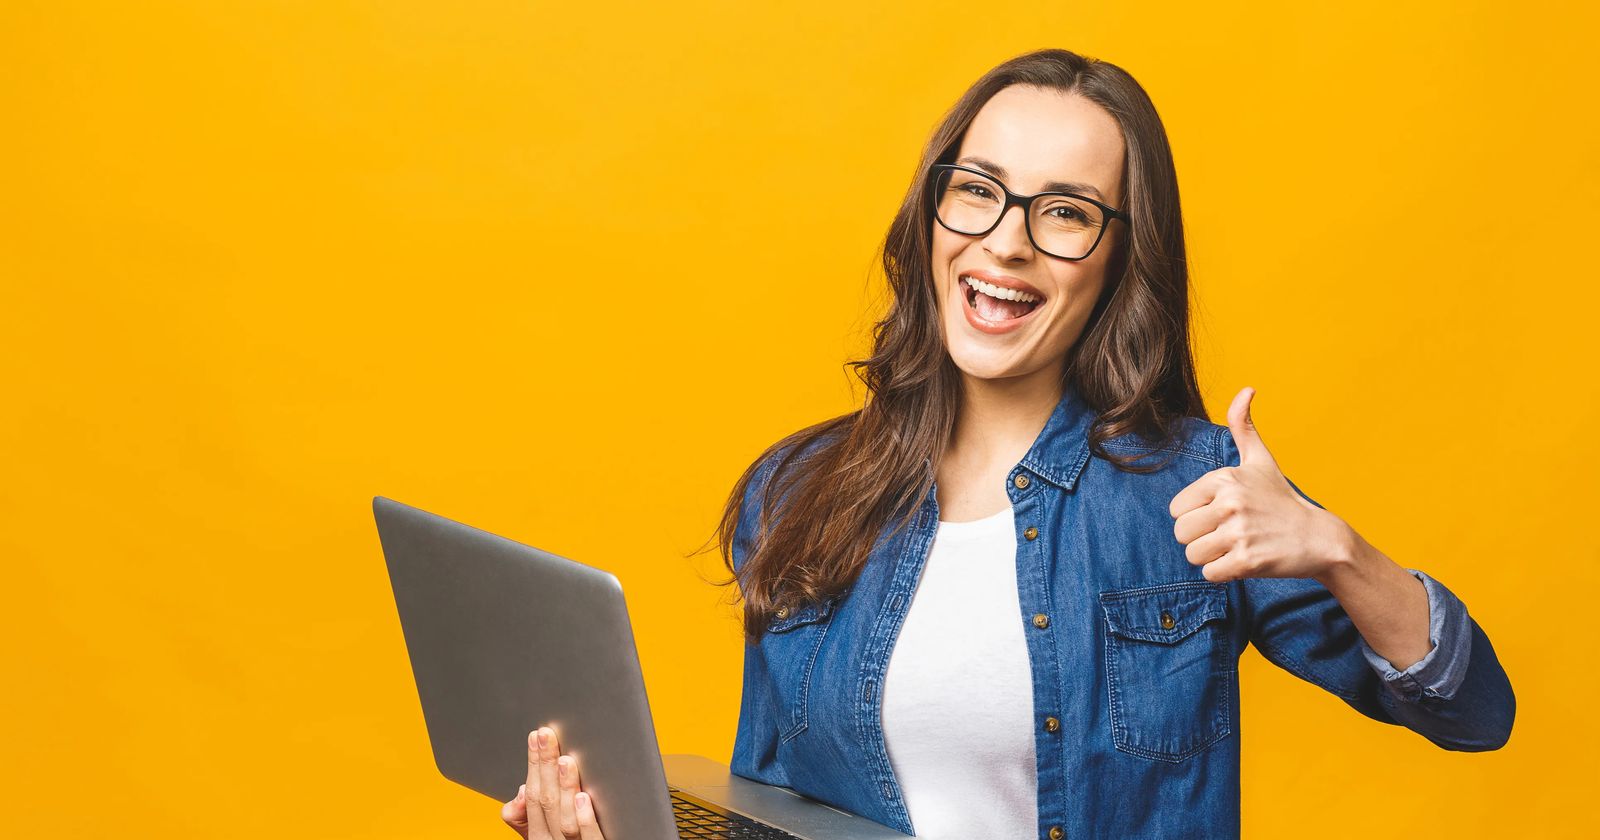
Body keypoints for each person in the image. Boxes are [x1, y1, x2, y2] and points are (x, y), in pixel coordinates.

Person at [499, 48, 1516, 840]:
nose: (1007, 240)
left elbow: (1471, 712)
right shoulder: (799, 487)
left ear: (1121, 259)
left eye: (1065, 212)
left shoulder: (1197, 491)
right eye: (977, 188)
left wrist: (1335, 547)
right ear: (932, 208)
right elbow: (771, 812)